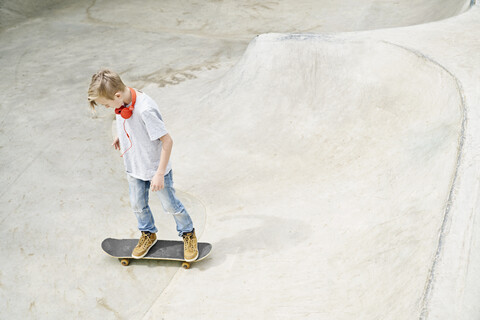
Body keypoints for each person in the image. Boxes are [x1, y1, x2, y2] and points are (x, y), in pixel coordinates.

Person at [87, 69, 198, 262]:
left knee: (171, 205)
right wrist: (120, 135)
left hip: (155, 168)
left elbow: (167, 141)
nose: (107, 108)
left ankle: (188, 233)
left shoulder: (145, 109)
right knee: (138, 205)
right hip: (134, 165)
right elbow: (124, 117)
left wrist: (160, 174)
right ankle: (148, 233)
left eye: (106, 105)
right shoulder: (123, 101)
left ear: (117, 95)